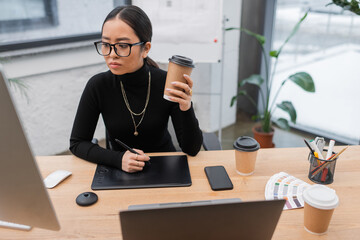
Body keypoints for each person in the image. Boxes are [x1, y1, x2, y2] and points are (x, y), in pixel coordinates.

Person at [69, 5, 203, 173]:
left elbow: (192, 149)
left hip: (165, 167)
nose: (112, 54)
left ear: (145, 48)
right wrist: (118, 159)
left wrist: (186, 108)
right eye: (105, 44)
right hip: (119, 170)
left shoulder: (166, 83)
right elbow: (77, 143)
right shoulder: (98, 86)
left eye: (122, 45)